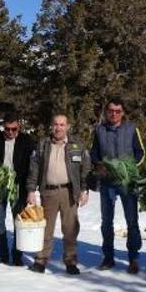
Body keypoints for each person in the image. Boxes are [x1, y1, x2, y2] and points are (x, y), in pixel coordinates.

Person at [26, 114, 91, 275]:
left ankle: (70, 262)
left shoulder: (77, 145)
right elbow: (34, 168)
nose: (58, 128)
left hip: (69, 192)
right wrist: (31, 190)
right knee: (46, 229)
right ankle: (41, 260)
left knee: (70, 229)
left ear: (68, 126)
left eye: (62, 125)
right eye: (56, 124)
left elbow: (86, 169)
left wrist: (84, 190)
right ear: (51, 126)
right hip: (49, 191)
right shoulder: (43, 144)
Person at [90, 97, 144, 274]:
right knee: (107, 221)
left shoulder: (131, 129)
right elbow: (94, 153)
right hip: (107, 183)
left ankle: (133, 258)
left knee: (132, 221)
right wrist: (99, 165)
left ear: (122, 113)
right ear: (106, 112)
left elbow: (140, 152)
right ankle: (108, 257)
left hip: (127, 182)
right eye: (111, 111)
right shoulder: (99, 130)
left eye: (118, 111)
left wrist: (128, 167)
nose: (114, 114)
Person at [0, 112, 35, 266]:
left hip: (18, 186)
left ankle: (17, 256)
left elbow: (32, 165)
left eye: (14, 129)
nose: (11, 132)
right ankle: (3, 254)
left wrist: (29, 186)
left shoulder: (27, 141)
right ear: (3, 127)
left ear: (18, 127)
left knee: (18, 221)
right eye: (7, 129)